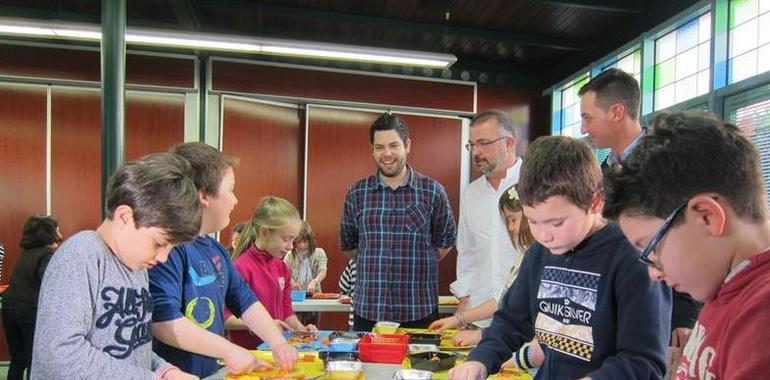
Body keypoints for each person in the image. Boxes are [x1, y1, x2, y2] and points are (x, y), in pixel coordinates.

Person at [449, 136, 671, 380]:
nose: (544, 235)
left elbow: (644, 361)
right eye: (533, 221)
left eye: (557, 222)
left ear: (595, 202)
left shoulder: (631, 256)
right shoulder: (539, 253)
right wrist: (480, 360)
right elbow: (511, 322)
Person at [603, 112, 770, 379]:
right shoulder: (723, 289)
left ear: (707, 216)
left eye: (651, 249)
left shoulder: (761, 314)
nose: (654, 273)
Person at [31, 153, 201, 379]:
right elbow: (60, 355)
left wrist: (163, 370)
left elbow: (131, 349)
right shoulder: (80, 256)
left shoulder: (138, 268)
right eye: (159, 243)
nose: (163, 257)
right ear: (124, 217)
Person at [149, 143, 298, 378]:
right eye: (231, 190)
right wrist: (229, 351)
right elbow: (164, 323)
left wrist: (277, 342)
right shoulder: (167, 249)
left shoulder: (216, 250)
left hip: (210, 372)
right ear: (204, 196)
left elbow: (245, 301)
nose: (235, 200)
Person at [580, 69, 701, 346]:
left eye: (587, 118)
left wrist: (685, 314)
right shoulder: (601, 173)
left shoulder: (667, 165)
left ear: (617, 111)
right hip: (615, 306)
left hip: (663, 306)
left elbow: (689, 237)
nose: (584, 128)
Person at [339, 112, 456, 331]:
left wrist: (418, 261)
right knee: (369, 365)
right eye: (379, 147)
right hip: (369, 310)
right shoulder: (357, 193)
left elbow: (445, 242)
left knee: (422, 366)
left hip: (419, 310)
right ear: (372, 150)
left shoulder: (432, 191)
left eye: (394, 145)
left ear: (407, 145)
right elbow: (350, 245)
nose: (387, 154)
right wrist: (375, 259)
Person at [431, 184, 543, 372]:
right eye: (507, 221)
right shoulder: (526, 256)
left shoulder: (543, 259)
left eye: (513, 220)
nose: (511, 228)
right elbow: (505, 304)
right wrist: (461, 320)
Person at [452, 109, 522, 327]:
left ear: (509, 143)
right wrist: (464, 303)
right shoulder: (471, 193)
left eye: (483, 143)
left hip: (523, 318)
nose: (476, 152)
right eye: (472, 145)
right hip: (479, 317)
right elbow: (467, 253)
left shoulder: (535, 182)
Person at [227, 196, 318, 349]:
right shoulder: (240, 267)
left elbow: (287, 312)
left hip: (276, 352)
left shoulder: (282, 268)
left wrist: (303, 331)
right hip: (250, 355)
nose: (290, 247)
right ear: (264, 233)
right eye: (286, 239)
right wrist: (264, 325)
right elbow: (226, 318)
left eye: (293, 240)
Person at [2, 215, 62, 380]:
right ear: (49, 233)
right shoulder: (47, 254)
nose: (60, 233)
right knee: (33, 360)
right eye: (57, 229)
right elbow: (49, 284)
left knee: (17, 359)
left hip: (9, 307)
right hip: (29, 310)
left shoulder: (26, 253)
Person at [284, 220, 327, 325]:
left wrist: (315, 281)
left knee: (313, 327)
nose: (302, 245)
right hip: (295, 298)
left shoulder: (319, 253)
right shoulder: (290, 255)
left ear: (310, 240)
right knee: (295, 328)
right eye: (299, 242)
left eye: (305, 241)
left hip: (314, 296)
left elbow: (323, 270)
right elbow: (284, 272)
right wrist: (292, 281)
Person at [338, 259, 357, 331]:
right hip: (387, 324)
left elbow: (343, 286)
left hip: (357, 319)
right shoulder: (393, 258)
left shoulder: (354, 260)